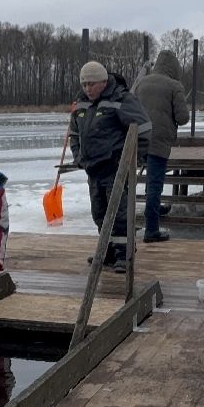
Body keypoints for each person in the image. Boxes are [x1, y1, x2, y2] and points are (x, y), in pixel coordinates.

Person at [67, 61, 151, 271]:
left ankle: (124, 254)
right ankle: (109, 250)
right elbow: (75, 133)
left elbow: (144, 131)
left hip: (115, 167)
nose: (88, 89)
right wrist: (79, 156)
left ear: (104, 82)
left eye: (92, 84)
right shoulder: (81, 103)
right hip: (93, 168)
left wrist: (130, 160)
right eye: (84, 84)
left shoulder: (121, 99)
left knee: (120, 212)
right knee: (100, 212)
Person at [132, 51, 192, 242]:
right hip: (159, 141)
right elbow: (183, 118)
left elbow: (130, 106)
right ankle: (151, 230)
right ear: (174, 68)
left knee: (139, 183)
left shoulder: (142, 82)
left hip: (137, 140)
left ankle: (140, 217)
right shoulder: (175, 86)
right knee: (155, 184)